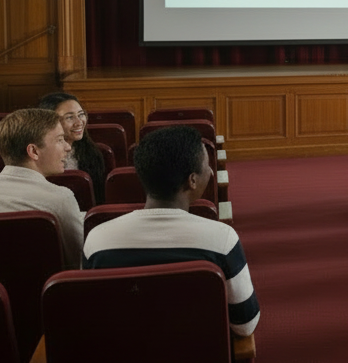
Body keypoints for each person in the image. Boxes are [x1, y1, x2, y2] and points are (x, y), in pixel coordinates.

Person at [83, 124, 259, 337]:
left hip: (120, 354)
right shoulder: (222, 239)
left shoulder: (97, 240)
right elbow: (245, 325)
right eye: (206, 165)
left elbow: (91, 314)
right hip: (199, 355)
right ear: (192, 180)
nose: (211, 171)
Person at [0, 108, 85, 268]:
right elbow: (77, 264)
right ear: (33, 151)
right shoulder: (61, 198)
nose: (68, 147)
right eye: (59, 140)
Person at [38, 91, 107, 205]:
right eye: (69, 117)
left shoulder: (93, 152)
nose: (79, 122)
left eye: (81, 114)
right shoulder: (37, 156)